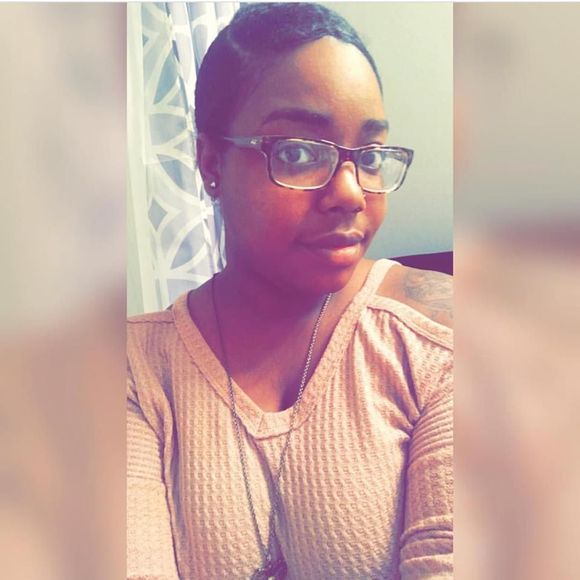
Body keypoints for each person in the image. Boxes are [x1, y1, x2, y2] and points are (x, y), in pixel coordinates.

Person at [127, 3, 452, 579]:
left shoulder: (436, 340)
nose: (351, 194)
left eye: (370, 156)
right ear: (211, 162)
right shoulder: (133, 370)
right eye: (298, 152)